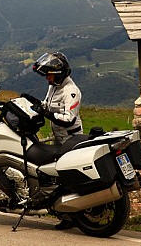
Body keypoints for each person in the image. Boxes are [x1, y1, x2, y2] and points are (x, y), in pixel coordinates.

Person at [29, 51, 83, 230]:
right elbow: (46, 105)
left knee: (65, 175)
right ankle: (61, 209)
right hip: (59, 139)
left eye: (50, 75)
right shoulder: (54, 86)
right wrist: (32, 105)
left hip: (71, 139)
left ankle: (70, 215)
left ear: (59, 75)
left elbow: (69, 119)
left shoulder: (71, 91)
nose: (47, 79)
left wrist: (47, 113)